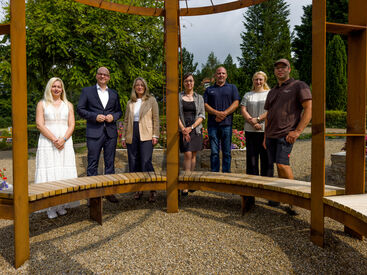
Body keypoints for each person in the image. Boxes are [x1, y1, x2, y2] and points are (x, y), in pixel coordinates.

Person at [264, 58, 312, 215]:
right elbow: (269, 115)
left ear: (289, 69)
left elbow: (308, 108)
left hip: (286, 134)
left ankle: (295, 202)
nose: (280, 70)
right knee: (278, 166)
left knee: (283, 165)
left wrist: (297, 131)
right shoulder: (272, 91)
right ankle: (285, 196)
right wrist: (265, 136)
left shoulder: (298, 85)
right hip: (271, 135)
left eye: (283, 67)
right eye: (277, 68)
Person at [77, 67, 122, 203]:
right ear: (96, 76)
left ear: (108, 77)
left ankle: (109, 192)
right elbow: (80, 109)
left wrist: (112, 117)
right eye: (100, 74)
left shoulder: (114, 93)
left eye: (105, 75)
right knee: (92, 164)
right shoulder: (87, 91)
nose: (103, 76)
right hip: (94, 132)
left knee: (110, 164)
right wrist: (94, 116)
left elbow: (119, 112)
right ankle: (93, 195)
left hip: (110, 133)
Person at [35, 77, 78, 219]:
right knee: (50, 172)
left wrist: (63, 139)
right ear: (49, 87)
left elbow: (71, 124)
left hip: (65, 142)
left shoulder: (68, 104)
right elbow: (40, 125)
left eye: (59, 86)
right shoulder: (42, 104)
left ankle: (61, 204)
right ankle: (50, 206)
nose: (56, 89)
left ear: (62, 89)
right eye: (54, 86)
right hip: (48, 143)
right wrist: (54, 139)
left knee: (63, 172)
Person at [121, 77, 160, 202]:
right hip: (132, 132)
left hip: (147, 133)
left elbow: (156, 118)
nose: (139, 87)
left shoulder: (151, 100)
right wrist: (123, 136)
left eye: (142, 85)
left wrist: (155, 135)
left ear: (145, 87)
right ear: (134, 87)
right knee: (134, 161)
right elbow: (126, 120)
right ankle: (139, 188)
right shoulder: (130, 102)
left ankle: (153, 188)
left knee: (146, 161)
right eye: (137, 85)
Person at [240, 71, 272, 210]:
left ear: (264, 80)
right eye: (256, 79)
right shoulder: (248, 94)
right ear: (253, 80)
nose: (258, 82)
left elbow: (271, 110)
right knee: (251, 161)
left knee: (267, 161)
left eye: (260, 79)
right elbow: (243, 109)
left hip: (265, 131)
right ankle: (251, 195)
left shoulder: (269, 94)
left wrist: (258, 119)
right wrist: (252, 122)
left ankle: (270, 195)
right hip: (251, 131)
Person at [203, 66, 240, 173]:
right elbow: (205, 105)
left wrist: (224, 113)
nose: (221, 75)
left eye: (223, 73)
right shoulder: (209, 90)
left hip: (227, 124)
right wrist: (217, 113)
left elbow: (236, 103)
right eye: (219, 73)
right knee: (214, 152)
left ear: (226, 75)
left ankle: (226, 174)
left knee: (227, 152)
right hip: (212, 125)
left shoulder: (232, 88)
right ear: (215, 75)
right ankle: (215, 174)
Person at [179, 73, 205, 196]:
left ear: (194, 82)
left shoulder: (199, 97)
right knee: (187, 154)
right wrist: (183, 128)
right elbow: (175, 115)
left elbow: (202, 115)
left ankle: (191, 182)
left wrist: (192, 127)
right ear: (183, 83)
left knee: (194, 155)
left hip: (195, 129)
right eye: (186, 81)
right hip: (183, 129)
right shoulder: (178, 97)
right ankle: (185, 183)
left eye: (191, 81)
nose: (189, 83)